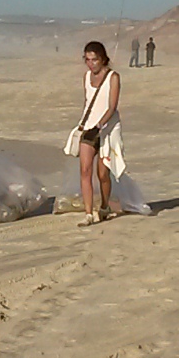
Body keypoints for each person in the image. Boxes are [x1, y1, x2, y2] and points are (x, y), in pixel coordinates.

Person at [75, 41, 123, 227]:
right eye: (87, 60)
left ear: (103, 59)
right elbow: (88, 102)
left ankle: (104, 206)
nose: (91, 64)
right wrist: (85, 124)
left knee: (102, 174)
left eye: (94, 59)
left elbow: (112, 107)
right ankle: (88, 214)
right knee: (85, 170)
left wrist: (100, 125)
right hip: (89, 127)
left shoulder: (113, 77)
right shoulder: (86, 77)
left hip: (107, 130)